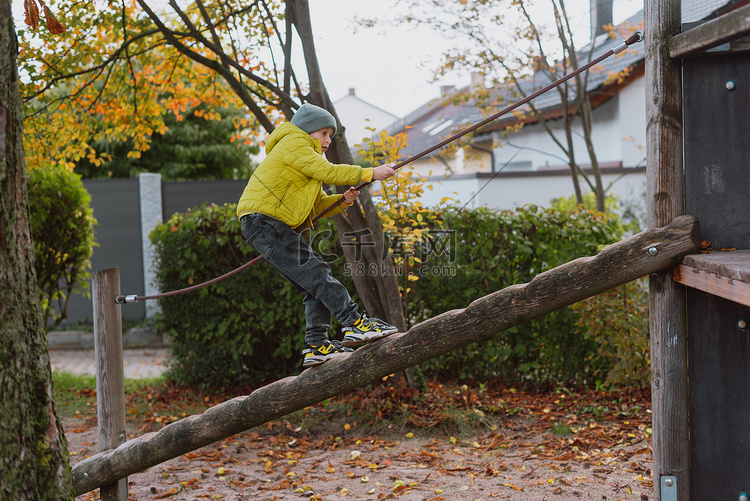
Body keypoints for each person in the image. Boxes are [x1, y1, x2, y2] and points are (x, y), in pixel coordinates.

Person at [238, 103, 399, 368]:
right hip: (265, 221)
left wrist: (343, 200)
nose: (327, 141)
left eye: (330, 136)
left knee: (313, 285)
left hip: (267, 223)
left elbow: (316, 204)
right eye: (323, 133)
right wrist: (370, 173)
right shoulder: (294, 143)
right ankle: (354, 323)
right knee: (317, 274)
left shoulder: (306, 158)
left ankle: (316, 345)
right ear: (308, 129)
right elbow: (330, 172)